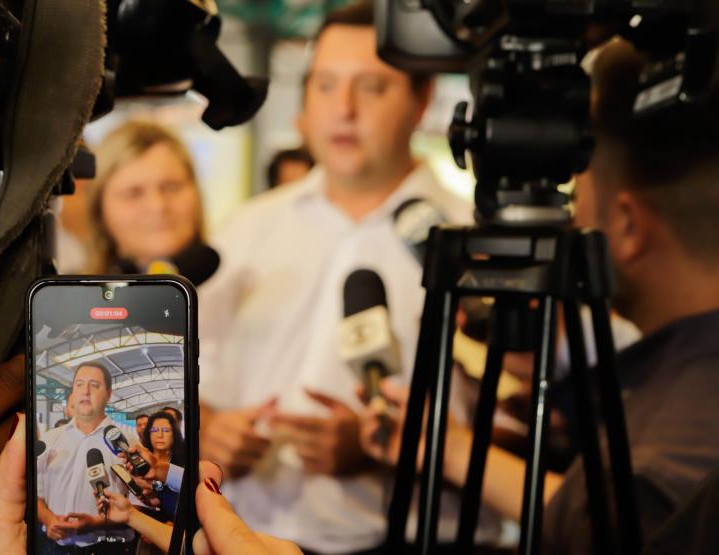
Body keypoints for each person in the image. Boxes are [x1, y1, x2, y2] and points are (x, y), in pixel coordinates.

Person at [359, 37, 719, 553]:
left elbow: (613, 517)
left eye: (578, 193)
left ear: (627, 224)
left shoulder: (653, 467)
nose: (570, 216)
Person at [197, 1, 473, 552]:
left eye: (371, 87)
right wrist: (212, 429)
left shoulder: (465, 242)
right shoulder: (247, 230)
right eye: (325, 85)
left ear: (421, 102)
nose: (343, 109)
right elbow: (192, 381)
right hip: (246, 539)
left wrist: (376, 450)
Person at [0, 413, 304, 555]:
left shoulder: (187, 466)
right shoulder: (124, 460)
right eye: (152, 429)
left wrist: (159, 479)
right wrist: (135, 506)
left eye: (164, 429)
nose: (158, 434)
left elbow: (190, 528)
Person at [37, 362, 140, 554]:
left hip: (109, 548)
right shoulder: (49, 439)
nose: (85, 391)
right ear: (73, 393)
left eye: (94, 385)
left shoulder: (128, 442)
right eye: (79, 384)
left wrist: (94, 524)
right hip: (53, 549)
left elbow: (139, 505)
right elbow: (36, 494)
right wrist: (50, 520)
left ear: (108, 394)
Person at [86, 120, 206, 273]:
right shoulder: (71, 293)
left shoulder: (240, 288)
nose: (158, 206)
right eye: (133, 193)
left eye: (171, 188)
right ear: (99, 211)